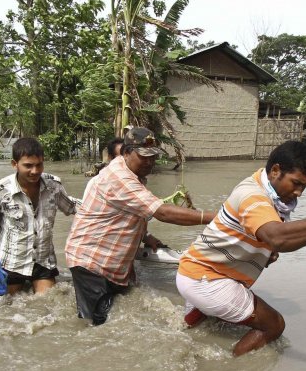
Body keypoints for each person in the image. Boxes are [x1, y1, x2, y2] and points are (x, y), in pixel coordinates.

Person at [176, 140, 306, 356]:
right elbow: (278, 238)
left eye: (304, 187)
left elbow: (269, 236)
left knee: (224, 313)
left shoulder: (266, 189)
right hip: (205, 279)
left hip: (195, 269)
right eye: (296, 183)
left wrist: (265, 251)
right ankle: (229, 367)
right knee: (274, 325)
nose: (299, 193)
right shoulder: (252, 196)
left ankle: (194, 318)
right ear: (275, 171)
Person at [65, 127, 216, 325]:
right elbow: (162, 212)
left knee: (116, 315)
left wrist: (145, 236)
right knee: (96, 325)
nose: (150, 162)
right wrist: (216, 217)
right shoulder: (119, 178)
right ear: (126, 153)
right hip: (91, 261)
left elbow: (127, 211)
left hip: (112, 262)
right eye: (143, 156)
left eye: (153, 157)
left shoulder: (131, 173)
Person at [0, 137, 77, 295]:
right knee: (8, 307)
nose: (35, 171)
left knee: (47, 303)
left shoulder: (53, 186)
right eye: (28, 166)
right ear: (15, 164)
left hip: (43, 261)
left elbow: (71, 206)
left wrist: (105, 207)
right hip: (13, 262)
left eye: (39, 164)